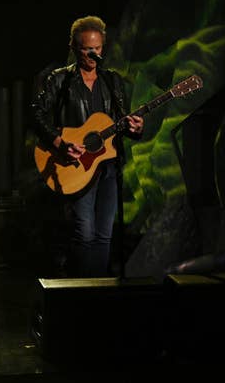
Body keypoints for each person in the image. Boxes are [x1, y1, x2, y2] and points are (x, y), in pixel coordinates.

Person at [30, 15, 143, 278]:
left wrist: (136, 128)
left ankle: (99, 292)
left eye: (98, 49)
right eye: (86, 49)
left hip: (108, 166)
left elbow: (121, 121)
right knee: (85, 233)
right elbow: (36, 114)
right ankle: (81, 292)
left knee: (104, 236)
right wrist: (60, 142)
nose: (93, 54)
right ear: (73, 47)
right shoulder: (59, 80)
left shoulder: (112, 81)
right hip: (78, 164)